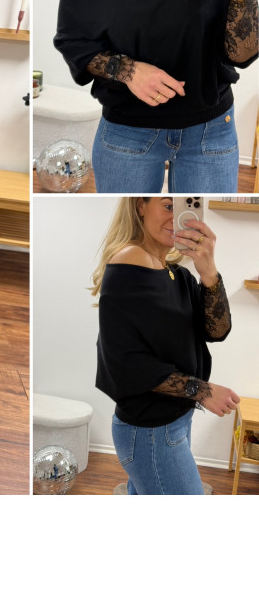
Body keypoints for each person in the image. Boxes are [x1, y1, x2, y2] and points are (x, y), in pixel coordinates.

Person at [54, 0, 258, 192]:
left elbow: (242, 54)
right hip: (128, 130)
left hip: (211, 130)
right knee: (133, 215)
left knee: (195, 216)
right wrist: (129, 71)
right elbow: (73, 40)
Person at [92, 197, 239, 495]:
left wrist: (208, 271)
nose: (177, 219)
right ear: (140, 206)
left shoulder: (176, 273)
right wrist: (204, 391)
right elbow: (126, 362)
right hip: (150, 431)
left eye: (183, 209)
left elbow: (217, 330)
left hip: (173, 421)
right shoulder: (130, 261)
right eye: (168, 207)